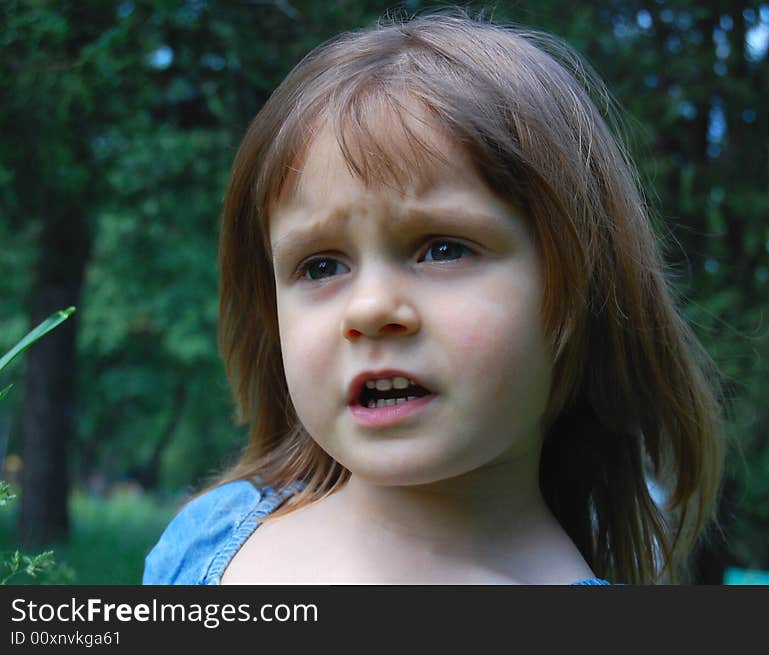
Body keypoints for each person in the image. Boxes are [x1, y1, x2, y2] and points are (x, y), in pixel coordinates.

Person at [143, 8, 724, 585]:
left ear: (577, 289)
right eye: (320, 266)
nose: (370, 309)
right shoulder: (209, 538)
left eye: (443, 250)